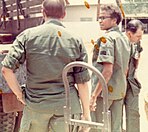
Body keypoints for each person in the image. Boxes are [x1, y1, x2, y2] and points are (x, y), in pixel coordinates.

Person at [1, 0, 91, 132]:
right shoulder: (76, 39)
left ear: (42, 13)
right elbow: (82, 82)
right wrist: (86, 114)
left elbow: (6, 70)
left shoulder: (27, 36)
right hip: (67, 106)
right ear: (64, 14)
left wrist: (20, 95)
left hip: (36, 106)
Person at [90, 4, 131, 132]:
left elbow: (107, 71)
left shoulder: (106, 39)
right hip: (119, 90)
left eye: (103, 18)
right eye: (99, 18)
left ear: (114, 20)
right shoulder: (124, 38)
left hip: (104, 93)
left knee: (98, 127)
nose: (100, 21)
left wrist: (94, 96)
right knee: (115, 128)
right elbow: (125, 69)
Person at [124, 19, 144, 132]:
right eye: (138, 36)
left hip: (131, 83)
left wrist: (135, 69)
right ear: (129, 34)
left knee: (133, 114)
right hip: (119, 84)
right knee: (115, 116)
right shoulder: (119, 42)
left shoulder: (137, 42)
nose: (140, 39)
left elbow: (138, 53)